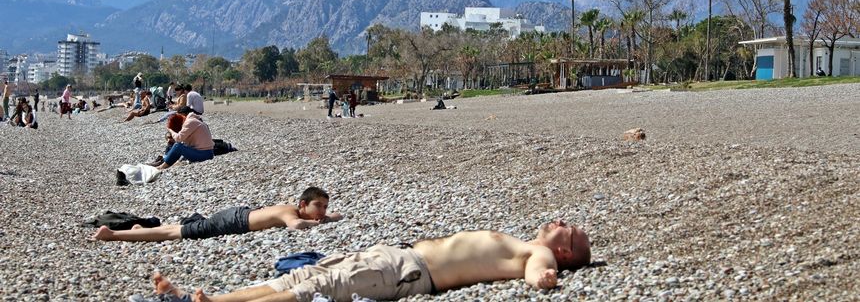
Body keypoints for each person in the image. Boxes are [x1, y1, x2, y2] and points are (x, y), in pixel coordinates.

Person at [134, 219, 590, 302]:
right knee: (303, 276)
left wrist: (543, 278)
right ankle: (213, 298)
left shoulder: (540, 252)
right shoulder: (527, 240)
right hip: (399, 256)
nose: (559, 221)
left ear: (565, 250)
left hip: (408, 272)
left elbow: (537, 271)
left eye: (566, 229)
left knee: (314, 290)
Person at [92, 187, 343, 243]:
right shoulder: (292, 213)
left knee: (186, 228)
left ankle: (138, 230)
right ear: (303, 204)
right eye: (318, 206)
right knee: (176, 233)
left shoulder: (290, 207)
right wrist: (322, 222)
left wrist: (328, 216)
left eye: (323, 207)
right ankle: (112, 234)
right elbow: (295, 226)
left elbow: (338, 215)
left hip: (237, 215)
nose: (321, 211)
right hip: (232, 221)